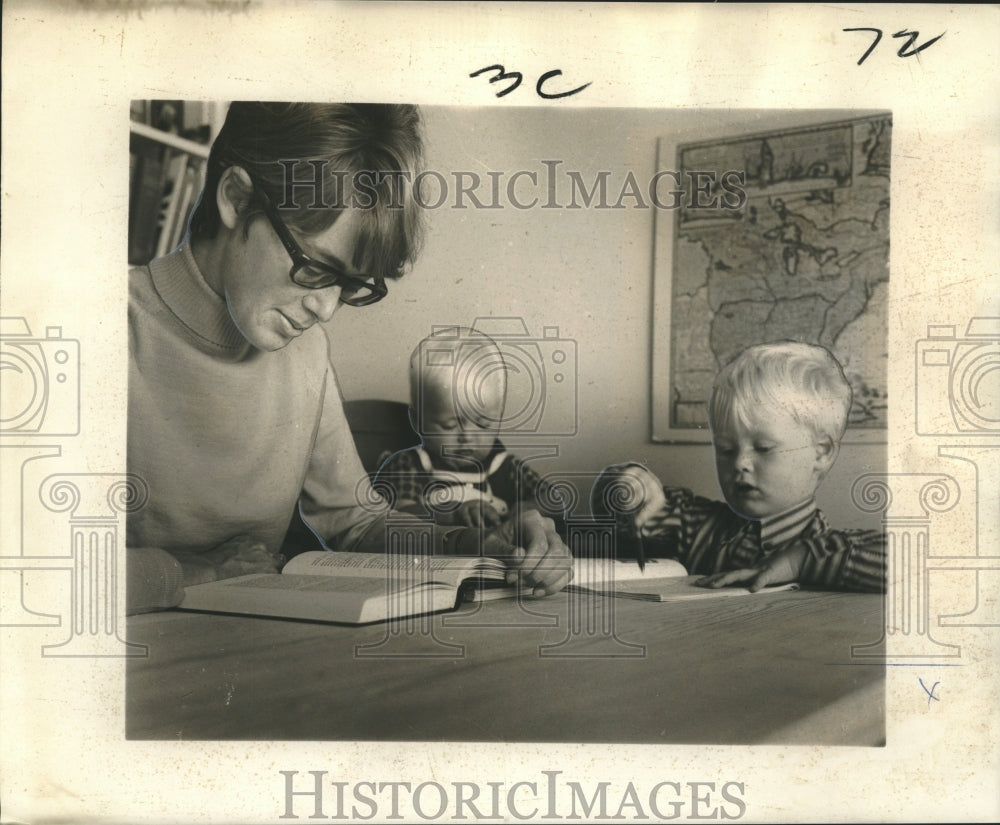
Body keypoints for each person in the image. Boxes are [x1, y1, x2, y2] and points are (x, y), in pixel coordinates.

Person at [126, 102, 571, 614]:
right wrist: (195, 573)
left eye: (351, 285)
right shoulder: (98, 324)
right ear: (235, 198)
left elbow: (357, 523)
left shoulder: (306, 351)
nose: (326, 309)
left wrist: (476, 546)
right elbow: (32, 567)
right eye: (316, 268)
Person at [592, 341, 885, 592]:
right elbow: (632, 515)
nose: (740, 463)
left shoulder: (827, 547)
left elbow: (918, 561)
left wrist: (799, 561)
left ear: (820, 454)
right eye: (726, 449)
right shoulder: (695, 526)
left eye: (763, 448)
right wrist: (628, 485)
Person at [374, 327, 561, 528]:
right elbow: (399, 514)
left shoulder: (506, 467)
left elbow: (554, 501)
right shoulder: (410, 465)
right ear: (417, 420)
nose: (467, 437)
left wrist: (524, 509)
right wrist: (451, 514)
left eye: (483, 424)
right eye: (450, 425)